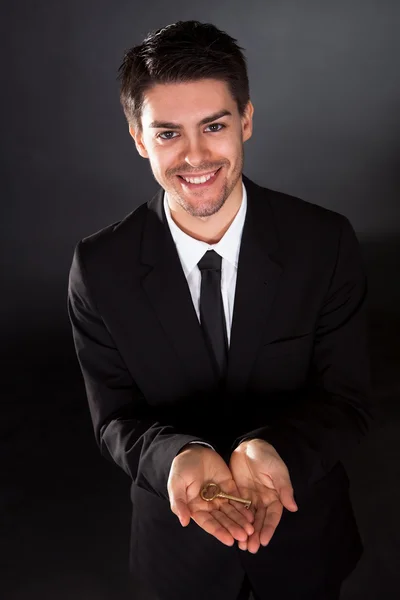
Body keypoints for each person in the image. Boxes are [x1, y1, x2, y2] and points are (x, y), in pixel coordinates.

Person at [67, 20, 373, 600]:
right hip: (176, 552)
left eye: (214, 126)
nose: (196, 156)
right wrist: (176, 456)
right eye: (167, 134)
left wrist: (274, 449)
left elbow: (348, 401)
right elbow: (113, 420)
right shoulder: (98, 266)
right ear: (138, 137)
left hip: (305, 537)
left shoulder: (324, 242)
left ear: (247, 122)